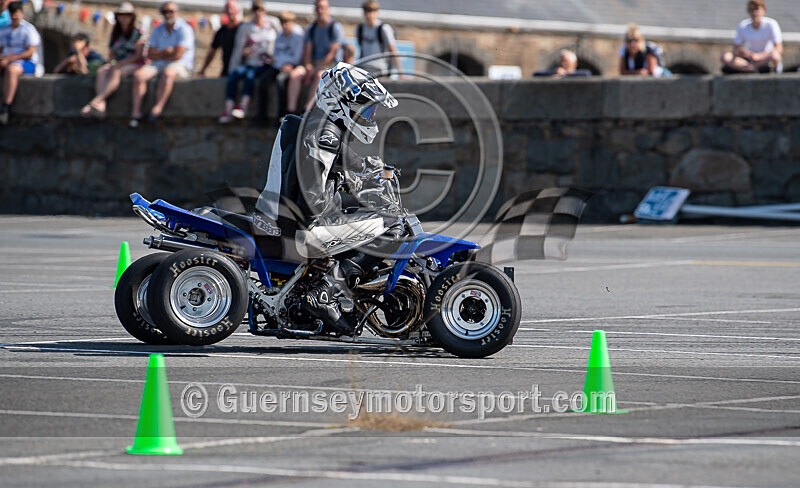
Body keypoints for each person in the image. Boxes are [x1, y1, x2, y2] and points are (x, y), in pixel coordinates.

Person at [254, 63, 399, 334]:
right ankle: (325, 293)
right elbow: (311, 202)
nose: (370, 116)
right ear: (341, 102)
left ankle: (321, 284)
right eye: (367, 109)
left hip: (273, 219)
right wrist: (349, 201)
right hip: (298, 232)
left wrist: (364, 173)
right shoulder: (324, 136)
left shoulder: (314, 124)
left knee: (361, 215)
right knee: (391, 223)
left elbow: (346, 160)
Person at [129, 1, 195, 128]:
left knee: (168, 73)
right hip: (159, 63)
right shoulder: (157, 30)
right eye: (165, 12)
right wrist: (167, 51)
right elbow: (150, 54)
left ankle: (157, 109)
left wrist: (161, 53)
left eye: (171, 11)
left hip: (180, 64)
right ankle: (136, 113)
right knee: (139, 75)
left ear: (177, 13)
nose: (168, 14)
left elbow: (178, 55)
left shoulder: (185, 29)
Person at [80, 2, 145, 118]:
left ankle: (96, 101)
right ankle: (101, 106)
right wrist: (114, 62)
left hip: (134, 63)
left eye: (127, 15)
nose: (124, 18)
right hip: (118, 63)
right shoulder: (116, 33)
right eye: (121, 15)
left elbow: (138, 56)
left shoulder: (139, 33)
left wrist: (119, 64)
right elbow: (111, 53)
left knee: (116, 72)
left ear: (132, 17)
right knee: (102, 71)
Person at [219, 0, 279, 123]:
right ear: (252, 12)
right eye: (255, 10)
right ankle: (228, 109)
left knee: (250, 76)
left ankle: (243, 106)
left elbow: (282, 41)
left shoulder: (273, 24)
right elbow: (238, 48)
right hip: (250, 61)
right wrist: (235, 65)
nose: (258, 13)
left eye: (261, 9)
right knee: (234, 75)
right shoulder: (246, 27)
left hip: (266, 63)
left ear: (265, 11)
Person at [257, 10, 305, 122]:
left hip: (292, 66)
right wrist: (276, 61)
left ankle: (282, 114)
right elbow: (276, 54)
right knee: (263, 81)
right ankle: (262, 116)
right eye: (282, 23)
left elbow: (297, 57)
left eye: (287, 23)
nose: (285, 26)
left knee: (280, 81)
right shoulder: (279, 36)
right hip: (278, 65)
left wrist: (286, 64)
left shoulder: (298, 36)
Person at [0, 1, 41, 125]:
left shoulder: (28, 29)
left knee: (12, 70)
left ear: (22, 14)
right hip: (7, 60)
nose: (14, 16)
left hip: (26, 63)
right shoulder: (4, 29)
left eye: (17, 13)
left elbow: (30, 52)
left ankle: (6, 106)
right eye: (12, 13)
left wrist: (11, 58)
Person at [301, 0, 344, 110]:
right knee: (295, 75)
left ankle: (307, 109)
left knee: (320, 75)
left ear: (328, 9)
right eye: (318, 8)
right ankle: (287, 111)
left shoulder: (335, 27)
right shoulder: (312, 28)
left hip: (331, 65)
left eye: (323, 8)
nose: (320, 11)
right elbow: (307, 51)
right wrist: (308, 66)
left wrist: (317, 67)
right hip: (315, 64)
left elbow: (332, 53)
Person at [722, 0, 783, 73]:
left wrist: (759, 56)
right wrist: (743, 52)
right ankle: (751, 69)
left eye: (757, 9)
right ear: (748, 11)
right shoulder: (743, 25)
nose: (754, 13)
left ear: (764, 10)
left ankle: (754, 68)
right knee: (726, 57)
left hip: (765, 59)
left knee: (775, 56)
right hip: (748, 60)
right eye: (752, 9)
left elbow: (778, 49)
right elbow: (735, 49)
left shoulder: (771, 24)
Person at [355, 0, 402, 76]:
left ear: (377, 12)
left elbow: (392, 49)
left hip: (380, 69)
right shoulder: (360, 29)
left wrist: (400, 73)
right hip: (363, 67)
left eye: (371, 12)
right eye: (366, 12)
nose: (368, 15)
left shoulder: (383, 28)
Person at [197, 0, 241, 77]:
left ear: (238, 10)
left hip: (240, 71)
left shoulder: (242, 29)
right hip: (226, 71)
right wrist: (203, 70)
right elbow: (212, 51)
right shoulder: (222, 31)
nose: (230, 11)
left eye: (232, 8)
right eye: (228, 8)